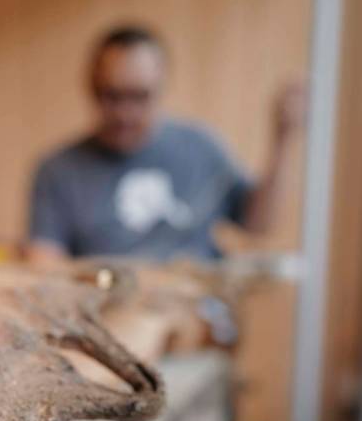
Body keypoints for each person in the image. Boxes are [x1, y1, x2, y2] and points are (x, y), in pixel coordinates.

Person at [27, 25, 305, 265]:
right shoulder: (58, 170)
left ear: (161, 87)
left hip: (194, 313)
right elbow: (44, 260)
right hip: (107, 317)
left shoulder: (201, 148)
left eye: (140, 97)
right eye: (112, 96)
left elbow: (258, 224)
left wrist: (283, 140)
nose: (125, 113)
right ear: (91, 87)